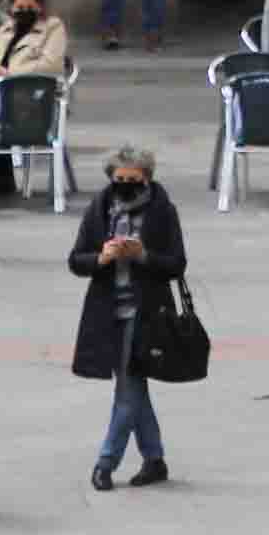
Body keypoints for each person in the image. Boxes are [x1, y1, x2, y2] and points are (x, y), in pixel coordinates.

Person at [68, 143, 183, 491]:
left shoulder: (162, 212)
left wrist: (143, 255)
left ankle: (106, 463)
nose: (125, 185)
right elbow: (76, 260)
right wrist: (101, 258)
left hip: (146, 313)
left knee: (128, 391)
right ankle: (154, 459)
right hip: (107, 313)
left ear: (146, 180)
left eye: (133, 180)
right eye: (119, 179)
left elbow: (176, 263)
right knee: (134, 389)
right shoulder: (101, 208)